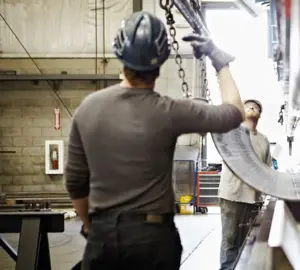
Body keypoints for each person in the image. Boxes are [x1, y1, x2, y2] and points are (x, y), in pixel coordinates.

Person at [65, 11, 245, 270]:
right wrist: (219, 59)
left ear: (119, 56)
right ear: (160, 63)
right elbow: (235, 112)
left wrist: (92, 226)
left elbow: (75, 182)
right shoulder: (170, 111)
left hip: (103, 235)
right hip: (153, 240)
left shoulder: (89, 108)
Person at [217, 99, 272, 270]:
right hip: (232, 194)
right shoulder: (231, 134)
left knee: (246, 242)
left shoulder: (263, 140)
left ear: (260, 115)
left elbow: (267, 169)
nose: (252, 107)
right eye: (248, 106)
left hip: (254, 198)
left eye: (256, 107)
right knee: (230, 240)